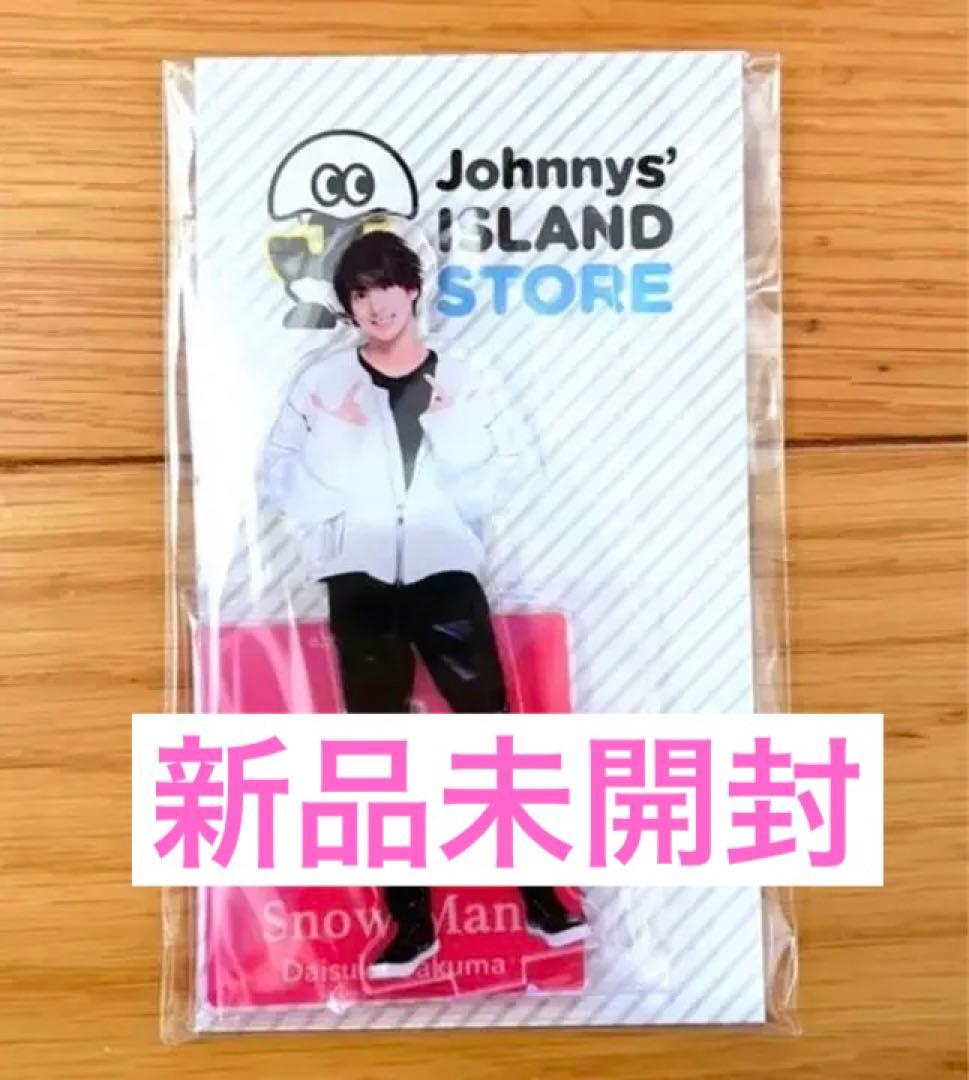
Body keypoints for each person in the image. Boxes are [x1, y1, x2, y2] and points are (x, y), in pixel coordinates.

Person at [261, 228, 588, 979]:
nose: (376, 304)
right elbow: (281, 486)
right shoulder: (322, 383)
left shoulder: (467, 377)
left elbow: (511, 478)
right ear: (348, 305)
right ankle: (411, 927)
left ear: (412, 288)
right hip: (360, 585)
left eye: (387, 286)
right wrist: (335, 446)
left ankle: (544, 901)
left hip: (446, 576)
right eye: (360, 293)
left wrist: (451, 427)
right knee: (378, 760)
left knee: (493, 744)